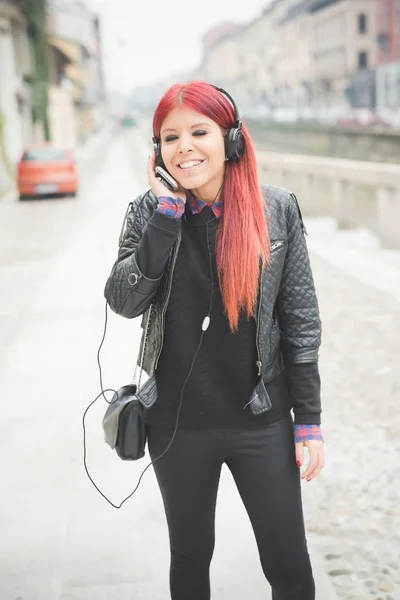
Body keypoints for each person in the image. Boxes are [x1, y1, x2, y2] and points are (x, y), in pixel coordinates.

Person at [104, 80, 325, 600]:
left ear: (230, 140)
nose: (184, 147)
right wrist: (166, 218)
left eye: (198, 132)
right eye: (169, 137)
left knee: (289, 566)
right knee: (190, 557)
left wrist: (309, 421)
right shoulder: (147, 212)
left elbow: (300, 320)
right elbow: (122, 299)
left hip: (262, 421)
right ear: (157, 152)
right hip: (176, 426)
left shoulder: (275, 210)